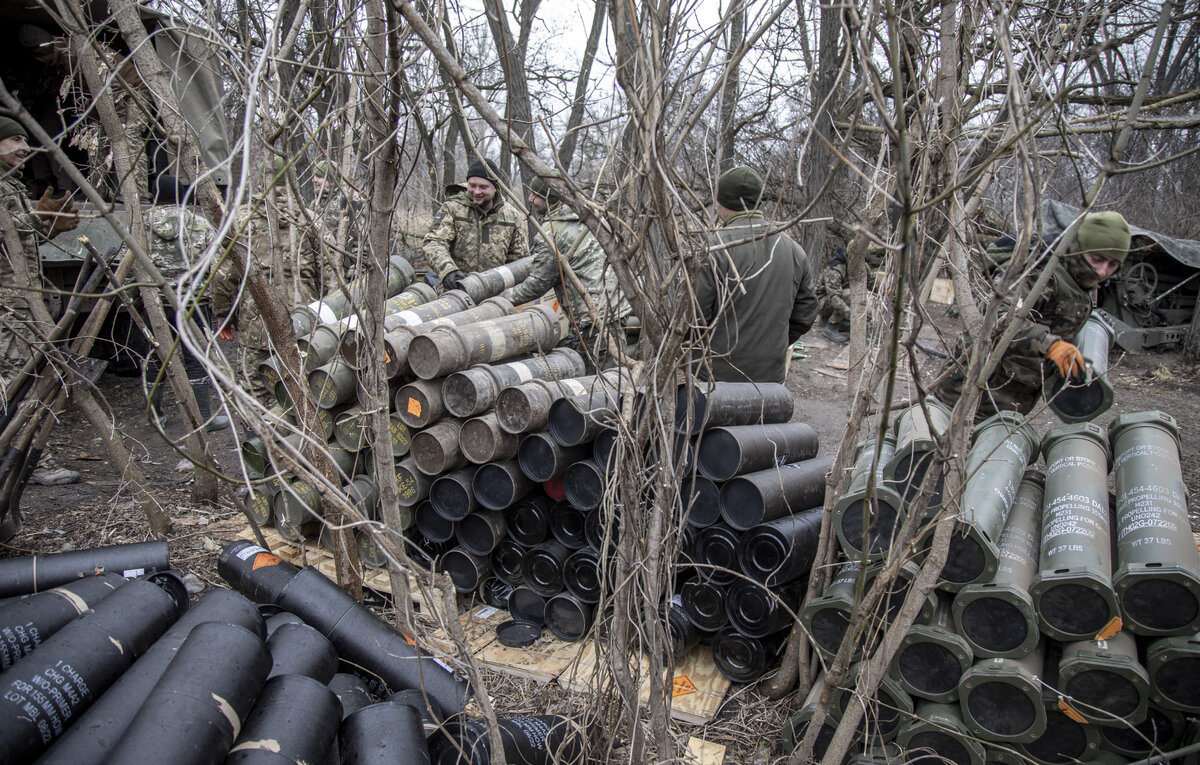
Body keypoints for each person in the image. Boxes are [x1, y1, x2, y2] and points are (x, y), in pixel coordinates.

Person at [934, 211, 1130, 420]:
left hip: (1006, 404)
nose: (1102, 271)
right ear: (1078, 246)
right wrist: (1050, 345)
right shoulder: (1038, 271)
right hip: (967, 394)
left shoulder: (1077, 282)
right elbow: (996, 316)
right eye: (1097, 259)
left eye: (1112, 265)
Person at [213, 157, 332, 406]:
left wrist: (225, 316)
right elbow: (331, 272)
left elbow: (223, 275)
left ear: (259, 182)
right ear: (290, 181)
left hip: (257, 326)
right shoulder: (310, 220)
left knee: (256, 395)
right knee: (304, 393)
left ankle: (261, 443)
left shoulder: (240, 220)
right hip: (305, 324)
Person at [0, 116, 80, 486]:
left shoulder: (12, 187)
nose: (23, 146)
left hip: (23, 300)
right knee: (21, 379)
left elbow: (17, 249)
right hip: (7, 306)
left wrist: (45, 224)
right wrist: (34, 219)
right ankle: (29, 460)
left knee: (25, 376)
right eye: (14, 139)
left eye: (25, 139)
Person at [694, 166, 818, 384]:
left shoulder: (712, 248)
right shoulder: (792, 248)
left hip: (714, 377)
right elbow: (806, 312)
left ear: (721, 202)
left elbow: (694, 319)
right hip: (770, 378)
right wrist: (773, 344)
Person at [502, 174, 630, 370]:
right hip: (615, 308)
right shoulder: (591, 217)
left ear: (550, 198)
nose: (530, 199)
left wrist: (503, 299)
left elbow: (538, 284)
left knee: (601, 383)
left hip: (592, 320)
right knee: (615, 375)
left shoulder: (553, 231)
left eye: (535, 195)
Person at [137, 181, 229, 432]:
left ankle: (154, 416)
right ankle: (204, 418)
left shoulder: (140, 225)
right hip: (194, 303)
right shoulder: (198, 224)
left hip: (156, 303)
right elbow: (217, 265)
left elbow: (129, 262)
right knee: (195, 359)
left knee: (155, 356)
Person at [422, 158, 528, 290]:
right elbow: (434, 242)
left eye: (483, 187)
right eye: (472, 186)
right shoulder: (452, 208)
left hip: (495, 294)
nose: (477, 192)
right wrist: (448, 270)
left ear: (495, 188)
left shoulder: (510, 215)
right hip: (456, 291)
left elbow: (519, 259)